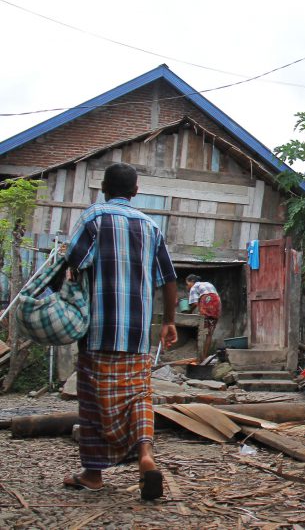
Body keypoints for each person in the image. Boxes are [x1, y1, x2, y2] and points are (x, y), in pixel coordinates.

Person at [63, 163, 177, 501]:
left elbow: (71, 264)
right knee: (139, 396)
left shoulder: (93, 219)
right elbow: (169, 278)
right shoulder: (150, 226)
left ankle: (93, 474)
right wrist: (169, 321)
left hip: (98, 331)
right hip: (138, 335)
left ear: (103, 187)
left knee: (94, 400)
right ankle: (145, 455)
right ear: (136, 191)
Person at [186, 274, 221, 360]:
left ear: (192, 282)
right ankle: (205, 356)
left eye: (187, 284)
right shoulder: (207, 283)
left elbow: (194, 304)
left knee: (201, 330)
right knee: (209, 333)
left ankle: (199, 356)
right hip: (217, 303)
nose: (187, 286)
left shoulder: (194, 287)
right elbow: (213, 296)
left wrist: (189, 312)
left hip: (207, 301)